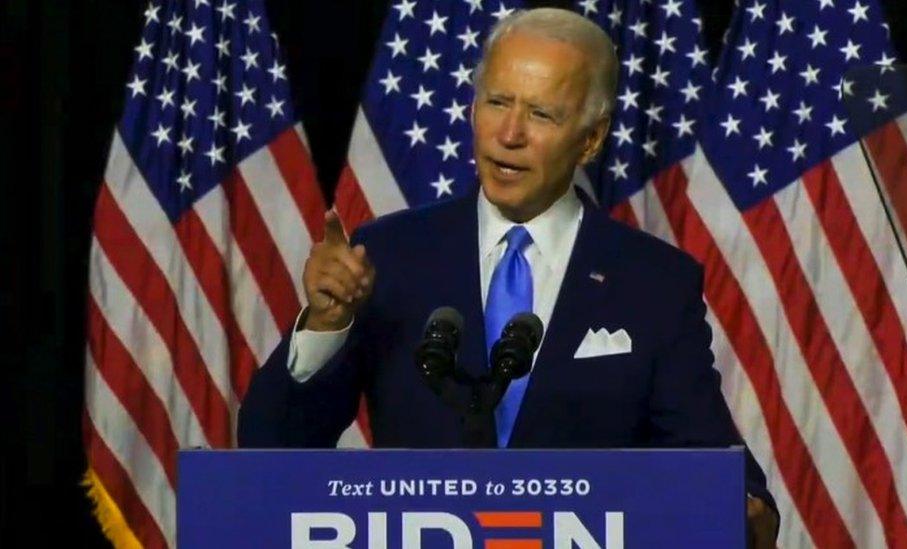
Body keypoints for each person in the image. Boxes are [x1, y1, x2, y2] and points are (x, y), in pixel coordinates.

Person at [239, 8, 777, 546]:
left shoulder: (653, 283)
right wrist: (325, 326)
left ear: (590, 139)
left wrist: (744, 511)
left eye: (541, 114)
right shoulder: (391, 257)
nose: (509, 134)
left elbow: (719, 473)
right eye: (497, 102)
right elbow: (269, 449)